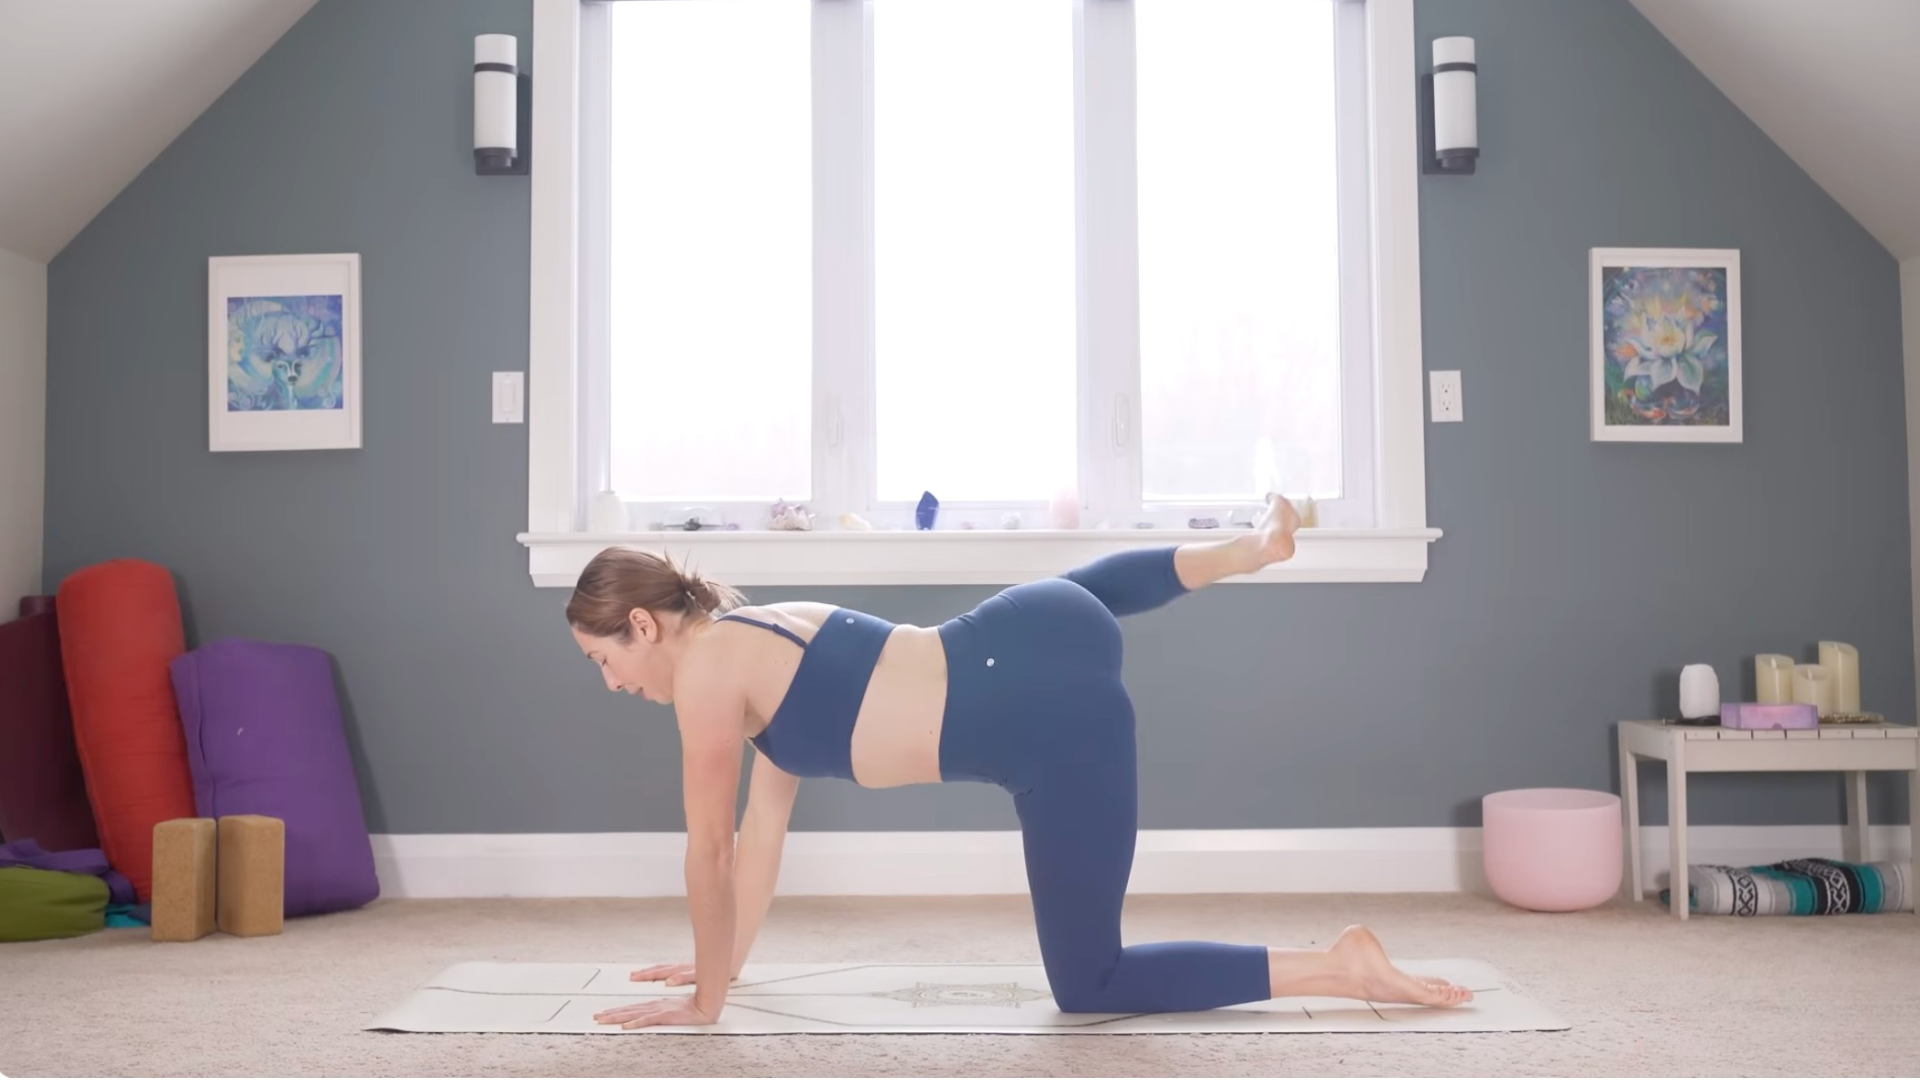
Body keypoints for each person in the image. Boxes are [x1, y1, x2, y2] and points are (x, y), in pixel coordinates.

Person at [566, 496, 1471, 1029]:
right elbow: (760, 837)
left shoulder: (708, 676)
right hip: (1034, 622)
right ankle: (1244, 549)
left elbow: (710, 849)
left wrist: (707, 1007)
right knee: (1086, 597)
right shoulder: (749, 641)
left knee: (1091, 987)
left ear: (641, 626)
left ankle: (1341, 965)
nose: (608, 684)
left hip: (1041, 715)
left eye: (602, 661)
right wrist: (720, 963)